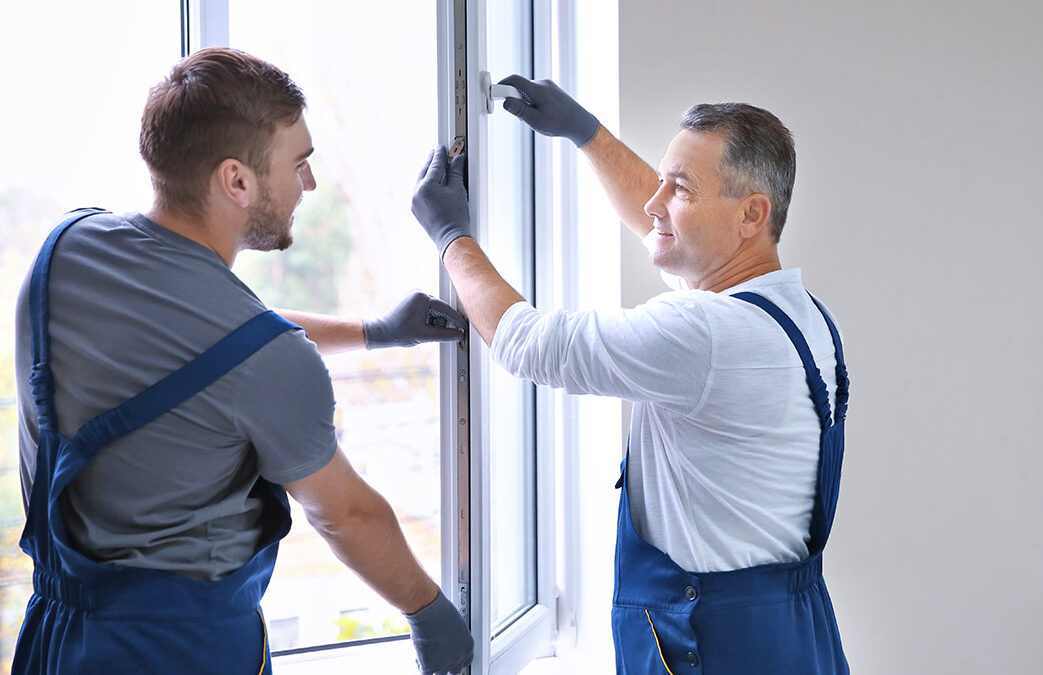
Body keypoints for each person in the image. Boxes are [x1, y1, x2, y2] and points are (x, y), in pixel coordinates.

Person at [13, 47, 473, 675]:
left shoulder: (64, 253)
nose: (309, 184)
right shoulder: (268, 361)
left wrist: (372, 333)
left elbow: (208, 340)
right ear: (237, 181)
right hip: (182, 654)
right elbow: (346, 513)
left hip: (55, 641)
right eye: (299, 163)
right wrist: (428, 610)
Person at [411, 76, 851, 673]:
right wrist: (586, 133)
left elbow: (529, 343)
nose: (655, 202)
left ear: (751, 214)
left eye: (681, 188)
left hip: (715, 646)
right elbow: (661, 226)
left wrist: (451, 237)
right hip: (793, 637)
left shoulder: (705, 334)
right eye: (664, 180)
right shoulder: (799, 316)